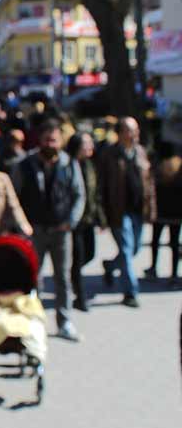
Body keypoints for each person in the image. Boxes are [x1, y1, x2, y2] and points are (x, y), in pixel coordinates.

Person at [11, 120, 85, 341]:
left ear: (60, 141)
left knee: (63, 277)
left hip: (62, 230)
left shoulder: (69, 163)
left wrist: (71, 221)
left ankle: (65, 321)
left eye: (54, 140)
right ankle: (33, 321)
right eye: (46, 140)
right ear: (40, 140)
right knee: (33, 277)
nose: (50, 144)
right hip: (34, 232)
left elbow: (79, 195)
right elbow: (14, 197)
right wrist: (21, 225)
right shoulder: (24, 165)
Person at [99, 117, 157, 308]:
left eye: (136, 130)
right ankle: (130, 292)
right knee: (126, 249)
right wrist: (102, 215)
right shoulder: (110, 154)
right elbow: (102, 186)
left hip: (137, 209)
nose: (135, 134)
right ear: (121, 133)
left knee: (134, 249)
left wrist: (152, 208)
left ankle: (110, 266)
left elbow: (149, 182)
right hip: (119, 210)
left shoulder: (140, 152)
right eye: (131, 130)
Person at [66, 132, 105, 311]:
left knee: (90, 254)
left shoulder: (90, 165)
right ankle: (80, 297)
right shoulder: (67, 165)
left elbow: (95, 194)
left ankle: (70, 275)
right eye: (86, 143)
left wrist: (101, 218)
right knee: (79, 256)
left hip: (89, 218)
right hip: (74, 221)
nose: (90, 146)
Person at [146, 141, 182, 284]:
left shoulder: (157, 167)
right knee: (174, 243)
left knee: (155, 241)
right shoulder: (179, 167)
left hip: (160, 211)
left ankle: (154, 268)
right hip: (177, 213)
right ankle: (173, 274)